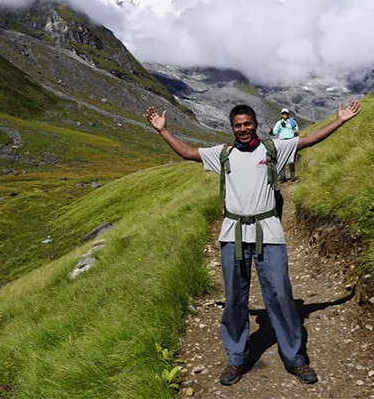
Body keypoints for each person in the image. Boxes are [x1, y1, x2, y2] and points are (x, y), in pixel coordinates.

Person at [144, 100, 361, 386]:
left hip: (268, 233)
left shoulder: (272, 149)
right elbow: (187, 152)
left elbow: (309, 139)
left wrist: (340, 120)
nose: (243, 129)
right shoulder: (222, 154)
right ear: (232, 128)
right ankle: (236, 358)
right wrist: (163, 130)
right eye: (238, 125)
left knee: (281, 296)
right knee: (235, 298)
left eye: (247, 124)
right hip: (232, 234)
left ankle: (295, 359)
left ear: (256, 124)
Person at [272, 108, 299, 181]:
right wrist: (271, 132)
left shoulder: (292, 122)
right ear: (281, 114)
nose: (285, 115)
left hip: (291, 141)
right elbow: (275, 132)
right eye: (283, 113)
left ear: (288, 114)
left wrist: (296, 131)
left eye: (286, 113)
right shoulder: (279, 123)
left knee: (291, 159)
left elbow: (297, 130)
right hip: (282, 142)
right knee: (282, 158)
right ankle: (283, 176)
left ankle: (292, 176)